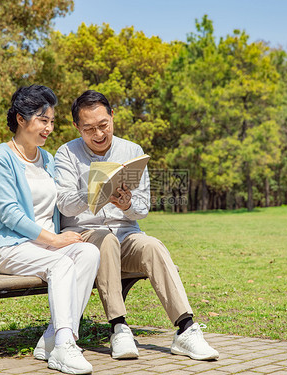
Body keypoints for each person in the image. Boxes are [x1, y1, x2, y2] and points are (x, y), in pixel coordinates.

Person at [54, 90, 219, 361]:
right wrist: (93, 193)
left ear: (113, 117)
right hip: (86, 236)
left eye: (103, 125)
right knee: (105, 241)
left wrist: (127, 205)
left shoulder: (132, 151)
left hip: (126, 234)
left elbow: (142, 209)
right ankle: (119, 328)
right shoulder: (66, 154)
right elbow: (64, 205)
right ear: (76, 127)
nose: (98, 134)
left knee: (152, 245)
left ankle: (186, 329)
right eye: (89, 129)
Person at [0, 85, 100, 375]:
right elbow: (11, 215)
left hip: (45, 247)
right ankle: (63, 346)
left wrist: (98, 191)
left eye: (51, 121)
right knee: (62, 262)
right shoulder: (1, 158)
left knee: (87, 253)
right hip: (11, 247)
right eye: (42, 120)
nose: (49, 128)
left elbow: (61, 201)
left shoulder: (47, 160)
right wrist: (56, 240)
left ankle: (53, 338)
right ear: (21, 119)